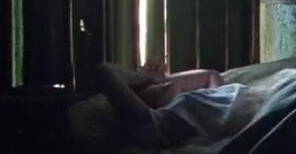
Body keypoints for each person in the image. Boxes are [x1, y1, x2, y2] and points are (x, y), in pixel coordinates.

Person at [95, 62, 227, 148]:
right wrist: (147, 77)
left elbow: (211, 74)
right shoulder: (155, 123)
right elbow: (104, 71)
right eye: (156, 86)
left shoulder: (208, 95)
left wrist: (157, 79)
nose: (165, 83)